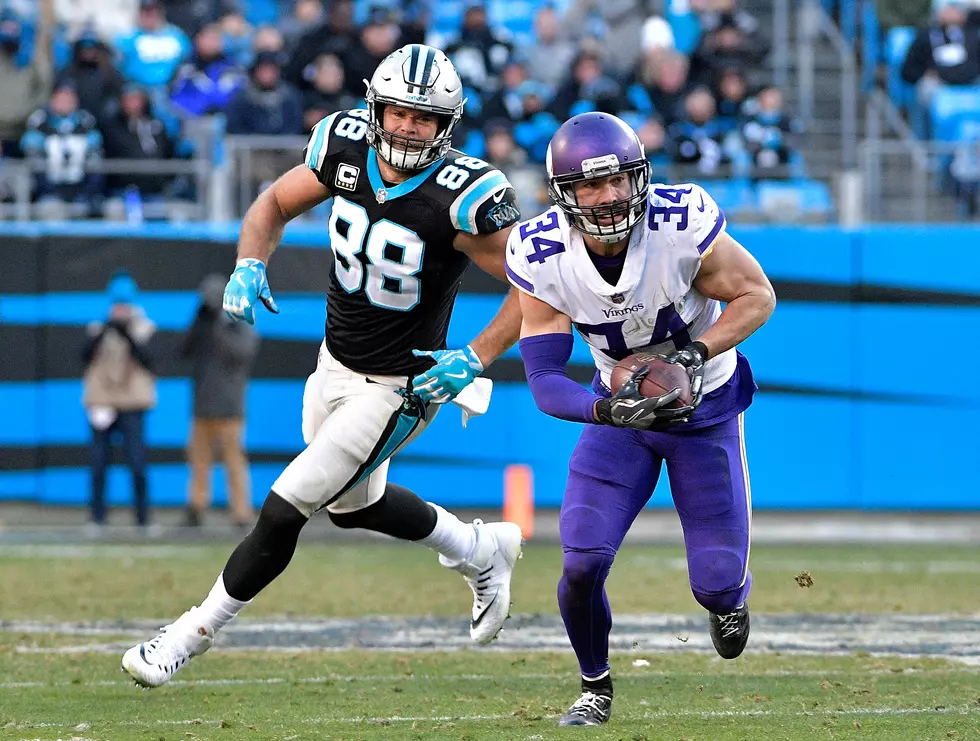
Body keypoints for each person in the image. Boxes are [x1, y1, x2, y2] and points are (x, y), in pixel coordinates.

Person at [122, 43, 526, 688]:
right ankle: (480, 549)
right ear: (375, 107)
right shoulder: (342, 147)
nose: (406, 127)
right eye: (397, 111)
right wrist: (249, 264)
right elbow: (272, 205)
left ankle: (188, 634)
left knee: (286, 506)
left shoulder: (463, 195)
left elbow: (535, 285)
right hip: (334, 363)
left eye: (423, 118)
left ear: (445, 125)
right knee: (353, 507)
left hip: (404, 385)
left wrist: (473, 358)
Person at [505, 112, 776, 726]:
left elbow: (757, 294)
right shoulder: (541, 253)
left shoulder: (679, 226)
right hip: (618, 420)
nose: (607, 197)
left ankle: (729, 602)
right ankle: (594, 686)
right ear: (563, 195)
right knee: (580, 562)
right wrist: (607, 409)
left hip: (703, 411)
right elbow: (546, 380)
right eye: (589, 186)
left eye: (617, 181)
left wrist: (691, 354)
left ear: (639, 178)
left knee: (715, 582)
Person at [181, 274, 259, 528]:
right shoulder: (203, 323)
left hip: (228, 407)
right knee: (198, 461)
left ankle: (241, 512)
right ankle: (196, 507)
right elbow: (184, 350)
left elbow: (243, 354)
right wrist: (199, 320)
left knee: (234, 462)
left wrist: (220, 327)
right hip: (203, 404)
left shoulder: (239, 323)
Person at [81, 271, 157, 529]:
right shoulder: (98, 328)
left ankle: (143, 517)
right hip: (102, 402)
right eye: (117, 304)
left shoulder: (144, 328)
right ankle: (97, 516)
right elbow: (83, 357)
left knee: (137, 462)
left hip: (132, 405)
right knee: (99, 462)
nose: (121, 310)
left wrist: (127, 335)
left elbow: (149, 360)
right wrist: (106, 331)